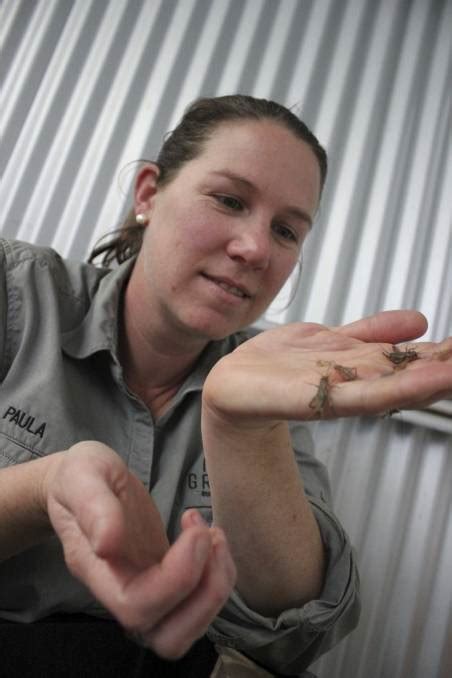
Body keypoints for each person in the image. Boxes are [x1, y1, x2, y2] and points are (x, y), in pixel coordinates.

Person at [0, 95, 451, 678]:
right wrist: (44, 487)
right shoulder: (18, 295)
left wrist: (243, 430)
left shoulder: (261, 382)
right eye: (229, 199)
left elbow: (293, 635)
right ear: (148, 194)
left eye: (287, 230)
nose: (256, 249)